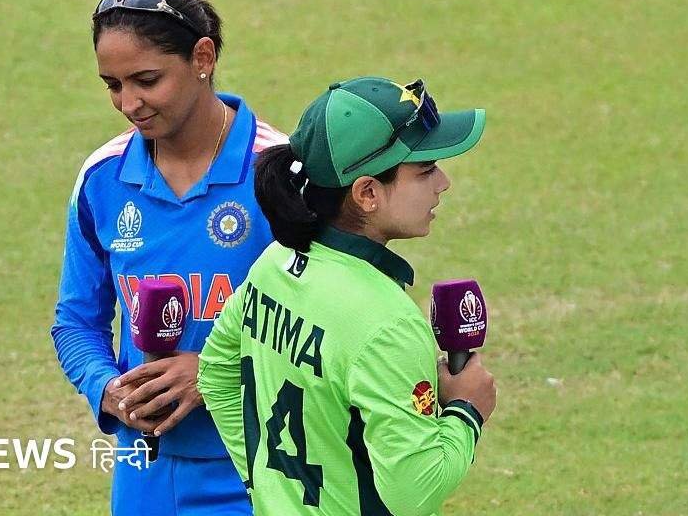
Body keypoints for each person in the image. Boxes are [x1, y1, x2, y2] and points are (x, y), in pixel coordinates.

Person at [198, 76, 498, 515]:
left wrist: (263, 484)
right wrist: (467, 410)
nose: (444, 182)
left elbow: (215, 372)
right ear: (367, 193)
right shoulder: (387, 324)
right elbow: (414, 492)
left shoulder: (274, 263)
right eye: (426, 169)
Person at [51, 0, 286, 516]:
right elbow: (76, 322)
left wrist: (213, 370)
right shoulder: (103, 178)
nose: (128, 103)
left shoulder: (278, 173)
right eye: (112, 85)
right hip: (145, 471)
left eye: (147, 80)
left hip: (265, 467)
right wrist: (107, 389)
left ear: (202, 57)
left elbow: (326, 329)